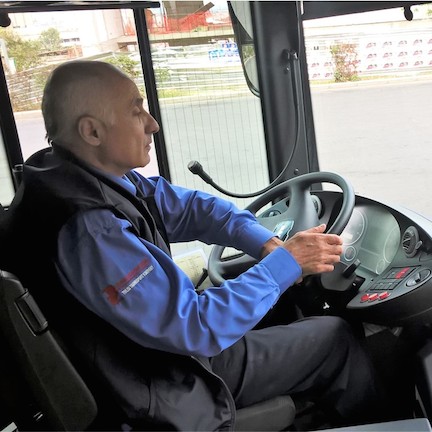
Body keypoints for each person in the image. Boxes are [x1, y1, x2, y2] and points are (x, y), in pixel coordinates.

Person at [1, 60, 383, 430]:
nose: (152, 123)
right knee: (334, 338)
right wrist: (287, 263)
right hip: (166, 379)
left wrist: (266, 243)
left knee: (281, 307)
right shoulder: (92, 232)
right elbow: (196, 327)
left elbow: (190, 209)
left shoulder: (77, 175)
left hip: (148, 353)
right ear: (92, 131)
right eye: (136, 111)